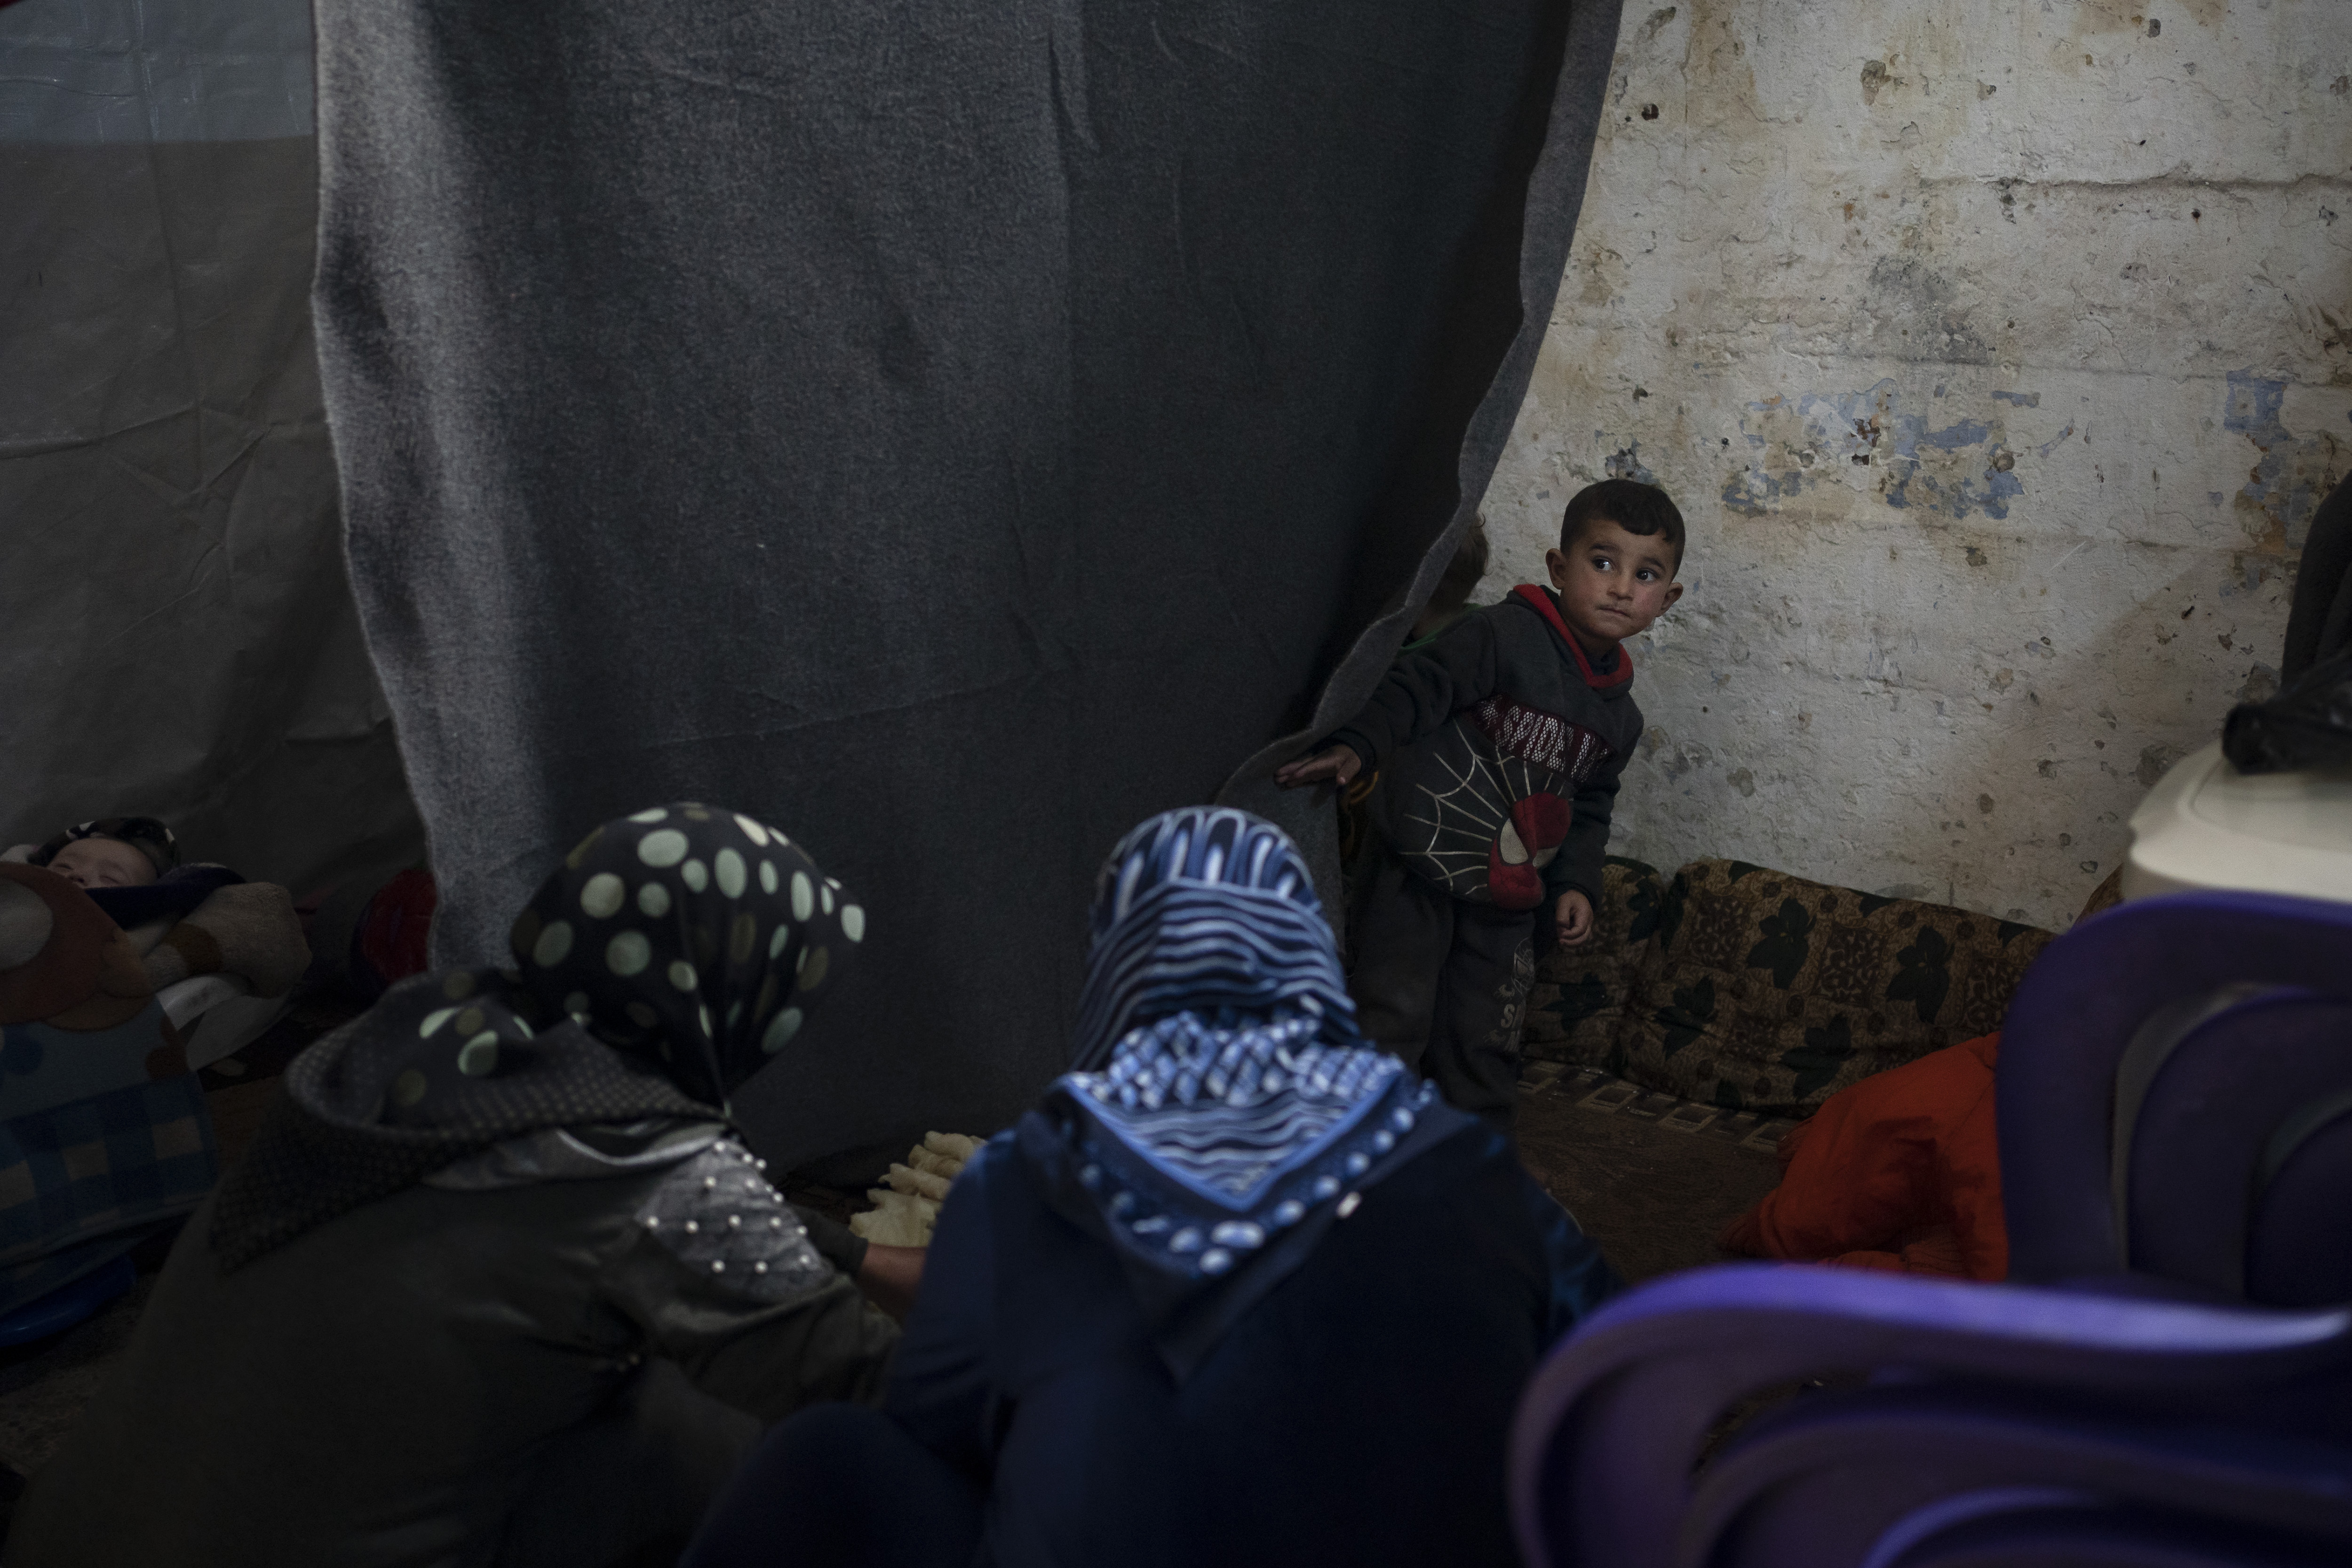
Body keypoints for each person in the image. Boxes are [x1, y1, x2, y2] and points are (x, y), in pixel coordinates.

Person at [683, 807, 1620, 1568]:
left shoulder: (1062, 1168)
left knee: (827, 1456)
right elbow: (1614, 1360)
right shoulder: (1468, 1167)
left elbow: (955, 1400)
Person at [5, 804, 913, 1568]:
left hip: (78, 1532)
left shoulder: (419, 1033)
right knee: (722, 1425)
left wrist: (862, 1254)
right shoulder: (658, 1172)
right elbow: (869, 1382)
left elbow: (607, 1199)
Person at [1277, 478, 1685, 1129]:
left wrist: (1576, 882)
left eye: (1646, 574)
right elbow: (1419, 686)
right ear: (1559, 567)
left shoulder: (1621, 720)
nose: (1620, 586)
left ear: (1667, 599)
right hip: (1419, 871)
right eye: (1602, 561)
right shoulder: (1501, 635)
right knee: (1392, 1014)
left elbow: (1590, 806)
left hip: (1508, 900)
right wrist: (1360, 744)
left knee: (1485, 1038)